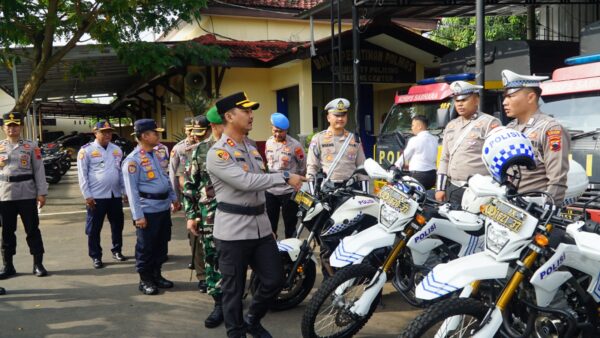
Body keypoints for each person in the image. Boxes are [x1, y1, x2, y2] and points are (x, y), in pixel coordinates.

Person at [206, 92, 305, 338]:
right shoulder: (218, 153)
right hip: (232, 232)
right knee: (233, 290)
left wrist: (268, 226)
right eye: (246, 111)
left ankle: (252, 319)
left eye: (251, 111)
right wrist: (284, 176)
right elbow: (247, 182)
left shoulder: (252, 149)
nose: (251, 116)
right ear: (229, 116)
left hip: (260, 228)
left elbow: (261, 186)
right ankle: (236, 332)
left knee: (274, 280)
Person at [122, 119, 181, 295]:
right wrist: (138, 216)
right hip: (147, 211)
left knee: (161, 246)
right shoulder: (132, 161)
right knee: (146, 247)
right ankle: (145, 279)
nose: (158, 135)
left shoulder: (155, 154)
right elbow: (131, 192)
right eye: (155, 133)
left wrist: (173, 197)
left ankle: (157, 275)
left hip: (162, 208)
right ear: (145, 136)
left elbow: (164, 178)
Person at [183, 106, 225, 328]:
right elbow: (190, 185)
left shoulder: (241, 148)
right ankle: (219, 303)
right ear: (214, 126)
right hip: (209, 216)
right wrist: (191, 215)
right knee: (212, 259)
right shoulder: (200, 150)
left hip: (238, 217)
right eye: (223, 124)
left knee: (236, 259)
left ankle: (234, 299)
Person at [502, 69, 570, 205]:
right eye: (505, 97)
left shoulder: (550, 128)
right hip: (509, 203)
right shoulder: (509, 128)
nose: (504, 102)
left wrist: (549, 209)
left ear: (531, 97)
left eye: (511, 96)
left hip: (535, 206)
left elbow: (557, 177)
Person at [435, 81, 501, 205]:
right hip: (454, 188)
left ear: (476, 100)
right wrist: (440, 188)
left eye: (464, 100)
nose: (459, 104)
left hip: (478, 192)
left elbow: (498, 159)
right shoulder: (451, 126)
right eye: (457, 100)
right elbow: (444, 159)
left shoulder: (489, 123)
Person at [0, 112, 48, 279]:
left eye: (15, 125)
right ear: (3, 127)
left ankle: (38, 264)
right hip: (5, 195)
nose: (12, 128)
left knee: (32, 230)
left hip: (27, 193)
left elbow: (39, 170)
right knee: (7, 232)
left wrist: (41, 193)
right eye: (9, 125)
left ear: (20, 127)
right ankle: (8, 266)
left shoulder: (31, 146)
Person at [77, 120, 127, 269]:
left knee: (118, 225)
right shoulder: (86, 150)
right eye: (104, 132)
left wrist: (124, 191)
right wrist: (87, 196)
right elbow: (82, 175)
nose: (107, 135)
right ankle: (96, 256)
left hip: (115, 195)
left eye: (109, 132)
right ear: (95, 133)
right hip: (96, 196)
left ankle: (117, 250)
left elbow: (121, 173)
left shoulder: (117, 149)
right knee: (94, 228)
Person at [168, 116, 206, 289]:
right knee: (196, 236)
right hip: (192, 198)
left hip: (211, 201)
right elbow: (176, 176)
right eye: (189, 130)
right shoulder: (181, 149)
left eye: (195, 130)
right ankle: (202, 274)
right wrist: (175, 198)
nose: (192, 134)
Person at [306, 98, 368, 192]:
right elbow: (312, 168)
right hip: (328, 189)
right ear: (328, 118)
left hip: (351, 189)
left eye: (343, 115)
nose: (340, 118)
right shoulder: (319, 139)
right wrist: (313, 196)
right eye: (336, 115)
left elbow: (362, 168)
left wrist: (365, 193)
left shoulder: (355, 139)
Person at [265, 113, 306, 238]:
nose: (277, 134)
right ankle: (272, 253)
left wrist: (296, 182)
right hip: (271, 191)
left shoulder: (295, 146)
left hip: (288, 192)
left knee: (290, 225)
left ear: (286, 130)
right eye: (275, 130)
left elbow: (303, 167)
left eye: (281, 131)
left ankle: (290, 254)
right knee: (270, 226)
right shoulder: (269, 142)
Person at [394, 115, 438, 190]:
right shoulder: (435, 139)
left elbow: (405, 156)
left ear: (419, 126)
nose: (412, 128)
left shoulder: (414, 140)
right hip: (432, 176)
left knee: (410, 197)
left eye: (413, 125)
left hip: (418, 176)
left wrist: (395, 166)